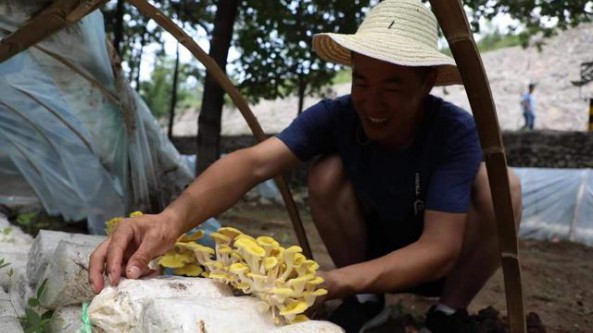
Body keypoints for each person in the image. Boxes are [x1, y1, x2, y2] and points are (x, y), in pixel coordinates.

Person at [89, 0, 522, 332]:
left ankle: (450, 313)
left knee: (502, 186)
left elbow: (439, 249)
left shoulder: (454, 132)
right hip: (370, 257)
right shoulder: (337, 116)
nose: (372, 102)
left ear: (427, 82)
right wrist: (170, 220)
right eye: (362, 81)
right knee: (325, 172)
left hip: (444, 266)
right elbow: (254, 163)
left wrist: (329, 283)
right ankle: (368, 302)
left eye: (393, 85)